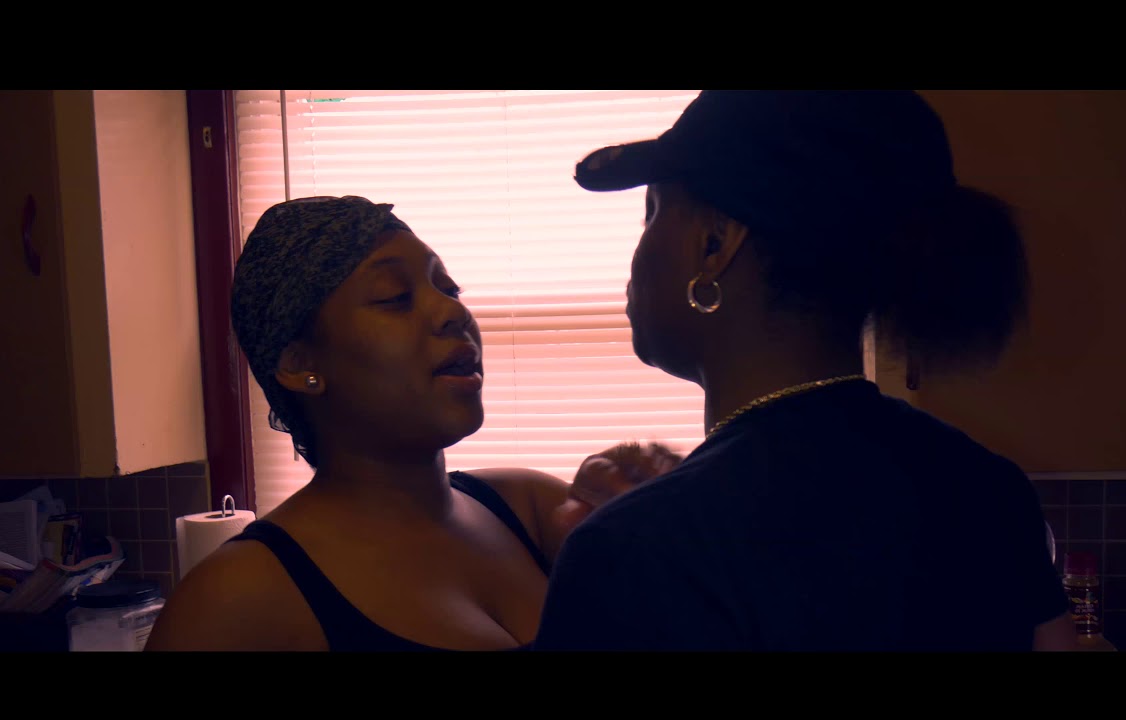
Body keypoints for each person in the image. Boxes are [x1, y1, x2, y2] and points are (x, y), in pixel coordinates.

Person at [532, 90, 1076, 651]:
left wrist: (628, 546)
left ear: (715, 244)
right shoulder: (989, 488)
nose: (638, 255)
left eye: (652, 213)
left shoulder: (633, 550)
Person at [144, 196, 677, 652]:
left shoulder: (531, 508)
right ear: (300, 363)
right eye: (395, 299)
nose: (452, 312)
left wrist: (650, 527)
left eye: (450, 289)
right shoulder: (236, 599)